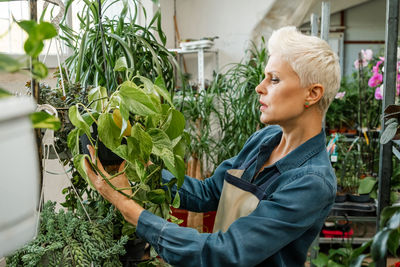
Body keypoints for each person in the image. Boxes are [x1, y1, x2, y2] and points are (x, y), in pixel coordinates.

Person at [84, 26, 341, 267]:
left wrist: (128, 207)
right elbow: (208, 193)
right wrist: (145, 168)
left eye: (273, 80)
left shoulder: (311, 181)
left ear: (312, 93)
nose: (259, 87)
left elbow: (227, 251)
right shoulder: (265, 140)